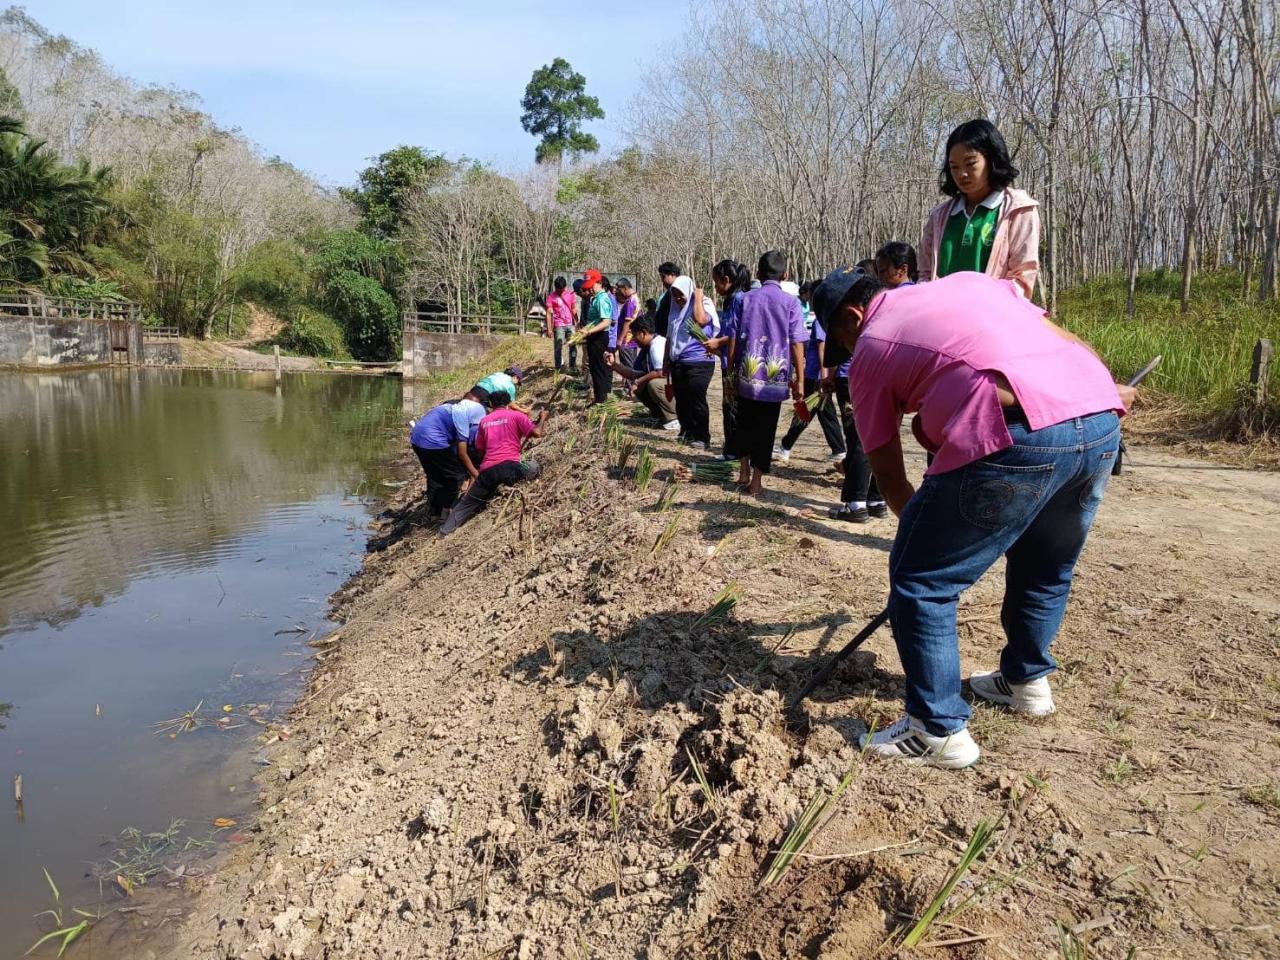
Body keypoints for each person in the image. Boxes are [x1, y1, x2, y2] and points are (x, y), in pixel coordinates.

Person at [813, 268, 1134, 769]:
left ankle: (936, 730)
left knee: (922, 582)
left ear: (852, 317)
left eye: (839, 339)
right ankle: (1025, 682)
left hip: (1017, 432)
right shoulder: (970, 284)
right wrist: (1102, 391)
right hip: (1098, 418)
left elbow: (888, 471)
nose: (846, 350)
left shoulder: (872, 346)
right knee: (1045, 565)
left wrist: (921, 544)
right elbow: (1064, 338)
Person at [919, 118, 1041, 298]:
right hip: (943, 319)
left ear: (992, 160)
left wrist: (980, 307)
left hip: (993, 319)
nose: (962, 174)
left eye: (970, 164)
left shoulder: (1018, 210)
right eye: (954, 167)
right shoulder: (939, 217)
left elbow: (1022, 278)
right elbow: (925, 274)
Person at [729, 250, 806, 494]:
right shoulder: (791, 302)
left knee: (743, 422)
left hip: (746, 374)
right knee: (766, 428)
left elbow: (732, 338)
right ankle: (756, 481)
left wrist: (730, 372)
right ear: (785, 275)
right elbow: (796, 343)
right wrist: (800, 380)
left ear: (758, 273)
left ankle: (743, 471)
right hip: (775, 377)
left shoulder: (744, 299)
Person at [440, 393, 547, 536]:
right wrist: (543, 418)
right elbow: (537, 432)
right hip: (510, 467)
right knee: (533, 466)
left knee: (466, 503)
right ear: (509, 403)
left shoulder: (484, 421)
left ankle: (443, 533)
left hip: (487, 471)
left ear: (491, 405)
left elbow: (480, 448)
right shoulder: (516, 416)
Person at [774, 280, 846, 466]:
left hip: (816, 376)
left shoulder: (821, 321)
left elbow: (823, 350)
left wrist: (824, 378)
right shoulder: (832, 318)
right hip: (820, 376)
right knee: (824, 413)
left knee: (804, 412)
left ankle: (785, 447)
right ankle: (839, 450)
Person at [408, 385, 490, 522]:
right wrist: (474, 473)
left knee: (435, 476)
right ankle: (448, 513)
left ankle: (434, 513)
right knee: (455, 476)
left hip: (417, 437)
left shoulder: (452, 405)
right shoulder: (469, 416)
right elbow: (463, 453)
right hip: (433, 440)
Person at [662, 275, 720, 449]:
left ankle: (702, 436)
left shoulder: (704, 304)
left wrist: (698, 295)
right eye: (675, 295)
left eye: (681, 294)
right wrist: (666, 360)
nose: (678, 298)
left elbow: (700, 320)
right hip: (678, 361)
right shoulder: (674, 311)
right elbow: (670, 337)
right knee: (682, 398)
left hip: (700, 361)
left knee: (697, 397)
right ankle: (687, 431)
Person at [703, 259, 751, 461]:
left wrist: (719, 344)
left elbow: (737, 334)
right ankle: (733, 449)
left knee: (732, 407)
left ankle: (734, 451)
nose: (715, 287)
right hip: (728, 361)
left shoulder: (739, 299)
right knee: (729, 407)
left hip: (735, 364)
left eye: (716, 282)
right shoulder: (731, 300)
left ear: (727, 280)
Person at [607, 317, 678, 429]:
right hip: (667, 383)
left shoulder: (657, 345)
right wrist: (614, 365)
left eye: (635, 335)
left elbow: (661, 373)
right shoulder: (646, 348)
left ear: (643, 333)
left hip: (674, 385)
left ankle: (674, 417)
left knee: (653, 384)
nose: (634, 339)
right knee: (642, 383)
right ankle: (659, 415)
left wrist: (637, 382)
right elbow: (636, 374)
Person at [578, 269, 615, 404]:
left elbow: (606, 322)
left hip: (599, 337)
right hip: (594, 337)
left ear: (599, 283)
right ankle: (598, 397)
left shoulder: (603, 299)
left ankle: (601, 400)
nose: (590, 289)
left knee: (599, 369)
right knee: (594, 368)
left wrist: (589, 331)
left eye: (592, 285)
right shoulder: (595, 298)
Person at [612, 277, 641, 395]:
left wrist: (620, 339)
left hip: (627, 340)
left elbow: (627, 323)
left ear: (625, 288)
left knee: (628, 366)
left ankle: (631, 390)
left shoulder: (630, 302)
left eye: (619, 290)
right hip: (632, 339)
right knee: (631, 364)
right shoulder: (635, 299)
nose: (618, 293)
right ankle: (628, 388)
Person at [547, 277, 578, 373]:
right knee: (558, 347)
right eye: (558, 289)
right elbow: (549, 313)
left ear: (565, 287)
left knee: (573, 345)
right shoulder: (551, 297)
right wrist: (549, 329)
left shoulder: (570, 295)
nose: (560, 291)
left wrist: (577, 322)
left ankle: (572, 367)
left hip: (570, 324)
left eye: (562, 289)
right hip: (558, 325)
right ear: (555, 287)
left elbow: (574, 309)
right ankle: (558, 368)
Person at [652, 262, 681, 337]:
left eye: (663, 277)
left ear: (672, 275)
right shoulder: (668, 293)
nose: (662, 281)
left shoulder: (681, 293)